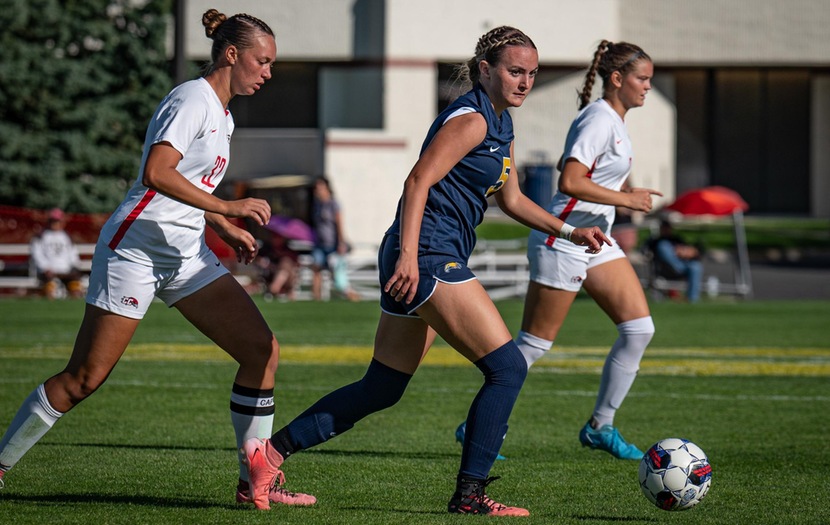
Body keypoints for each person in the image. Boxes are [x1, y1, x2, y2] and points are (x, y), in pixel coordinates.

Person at [239, 26, 609, 515]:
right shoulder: (472, 119)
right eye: (514, 71)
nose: (525, 81)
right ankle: (470, 496)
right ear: (485, 70)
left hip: (424, 254)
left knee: (383, 386)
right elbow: (417, 182)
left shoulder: (501, 123)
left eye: (532, 73)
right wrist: (411, 257)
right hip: (429, 257)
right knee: (507, 368)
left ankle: (268, 456)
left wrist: (569, 231)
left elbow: (513, 198)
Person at [0, 9, 314, 507]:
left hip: (184, 253)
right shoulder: (193, 98)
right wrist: (228, 205)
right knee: (85, 378)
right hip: (138, 248)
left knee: (261, 350)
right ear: (232, 54)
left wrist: (222, 225)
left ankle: (254, 481)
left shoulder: (223, 114)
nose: (269, 73)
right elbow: (157, 173)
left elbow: (189, 187)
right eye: (263, 61)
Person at [457, 41, 661, 462]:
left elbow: (594, 178)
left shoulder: (616, 123)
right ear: (617, 79)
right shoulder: (599, 120)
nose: (647, 87)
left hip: (597, 241)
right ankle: (474, 428)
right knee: (532, 346)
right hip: (564, 240)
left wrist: (620, 193)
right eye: (642, 79)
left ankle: (600, 427)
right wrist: (627, 201)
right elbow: (569, 180)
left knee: (639, 329)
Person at [309, 176, 360, 301]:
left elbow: (339, 224)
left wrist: (341, 242)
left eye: (320, 187)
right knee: (316, 267)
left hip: (333, 245)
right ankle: (316, 299)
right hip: (320, 244)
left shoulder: (333, 204)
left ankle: (352, 295)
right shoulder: (317, 205)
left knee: (337, 276)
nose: (318, 191)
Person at [29, 208, 84, 299]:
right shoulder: (41, 236)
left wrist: (74, 266)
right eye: (53, 221)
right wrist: (45, 268)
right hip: (48, 271)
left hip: (66, 271)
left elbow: (72, 254)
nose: (55, 223)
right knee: (50, 290)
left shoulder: (66, 236)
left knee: (76, 289)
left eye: (57, 221)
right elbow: (37, 254)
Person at [649, 219, 703, 303]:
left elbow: (693, 253)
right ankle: (679, 268)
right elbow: (646, 252)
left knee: (695, 266)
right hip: (664, 268)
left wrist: (684, 252)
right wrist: (673, 251)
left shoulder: (677, 239)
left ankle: (692, 299)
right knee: (663, 246)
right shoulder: (655, 241)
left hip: (682, 265)